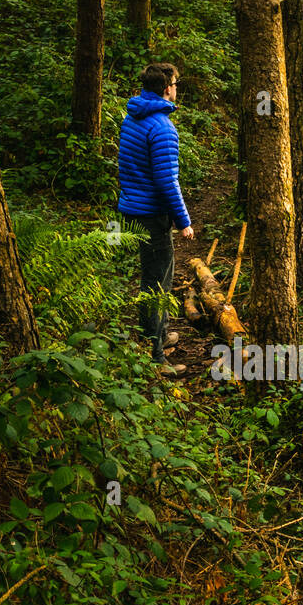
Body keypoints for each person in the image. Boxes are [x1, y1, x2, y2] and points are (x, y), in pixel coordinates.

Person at [117, 63, 195, 377]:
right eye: (176, 83)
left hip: (133, 210)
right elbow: (167, 181)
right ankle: (154, 356)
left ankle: (158, 333)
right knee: (156, 282)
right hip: (151, 214)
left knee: (157, 275)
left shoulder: (132, 117)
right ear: (166, 88)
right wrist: (184, 220)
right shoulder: (162, 127)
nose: (177, 88)